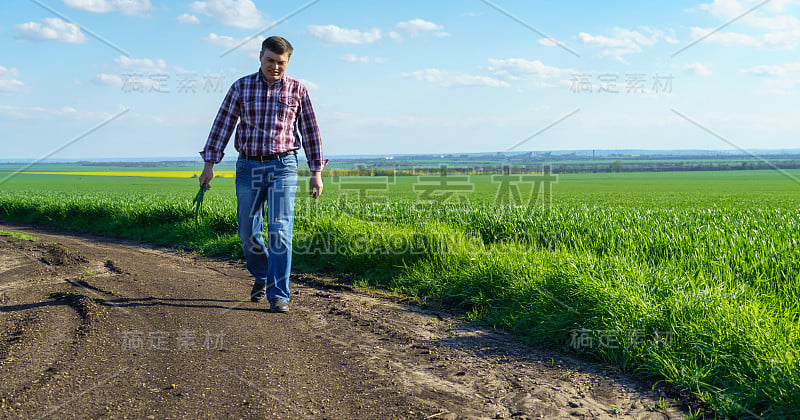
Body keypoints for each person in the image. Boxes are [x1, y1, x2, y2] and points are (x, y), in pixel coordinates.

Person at [198, 36, 326, 313]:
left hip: (284, 166)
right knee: (247, 229)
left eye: (281, 62)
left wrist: (316, 171)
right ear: (260, 57)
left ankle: (279, 294)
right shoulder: (241, 87)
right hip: (248, 167)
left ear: (288, 62)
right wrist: (209, 164)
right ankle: (263, 275)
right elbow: (222, 125)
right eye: (270, 60)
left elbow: (311, 132)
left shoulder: (297, 90)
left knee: (280, 230)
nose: (275, 67)